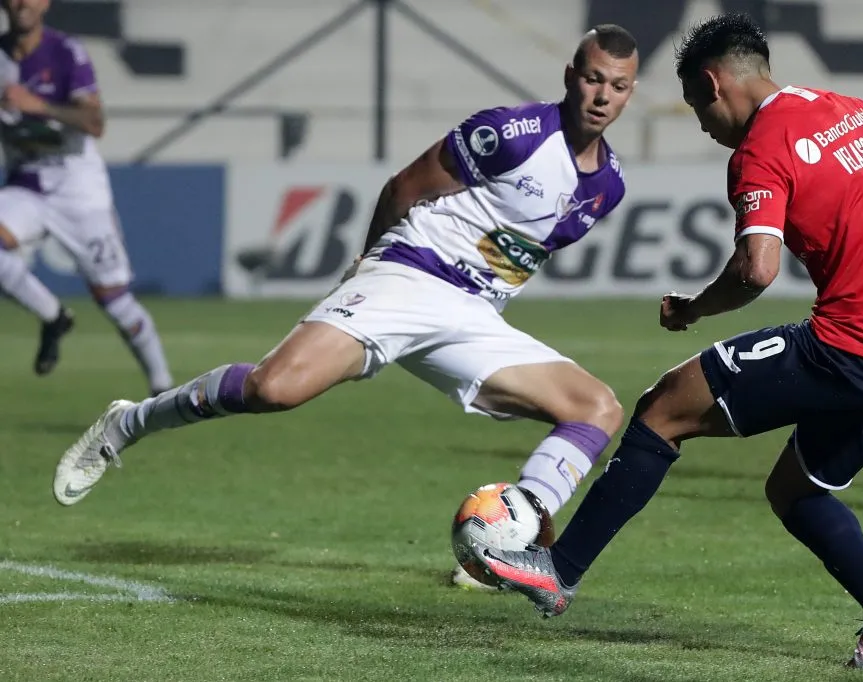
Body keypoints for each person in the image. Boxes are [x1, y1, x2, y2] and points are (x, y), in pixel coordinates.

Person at [52, 25, 639, 588]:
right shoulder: (513, 132)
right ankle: (126, 423)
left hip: (473, 316)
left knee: (597, 409)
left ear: (629, 92)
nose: (601, 96)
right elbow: (405, 187)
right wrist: (368, 263)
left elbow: (514, 253)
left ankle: (511, 548)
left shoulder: (607, 185)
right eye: (592, 79)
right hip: (410, 275)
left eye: (616, 86)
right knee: (273, 389)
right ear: (570, 76)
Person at [470, 13, 863, 669]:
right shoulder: (843, 108)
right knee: (795, 490)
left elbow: (756, 268)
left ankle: (558, 570)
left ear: (714, 83)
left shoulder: (760, 150)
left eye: (699, 108)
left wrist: (695, 309)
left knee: (664, 406)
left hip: (847, 347)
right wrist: (861, 232)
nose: (703, 125)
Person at [0, 0, 172, 393]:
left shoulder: (66, 52)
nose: (23, 2)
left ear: (45, 3)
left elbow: (94, 122)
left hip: (77, 187)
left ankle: (162, 389)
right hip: (27, 183)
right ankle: (53, 316)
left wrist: (36, 105)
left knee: (114, 300)